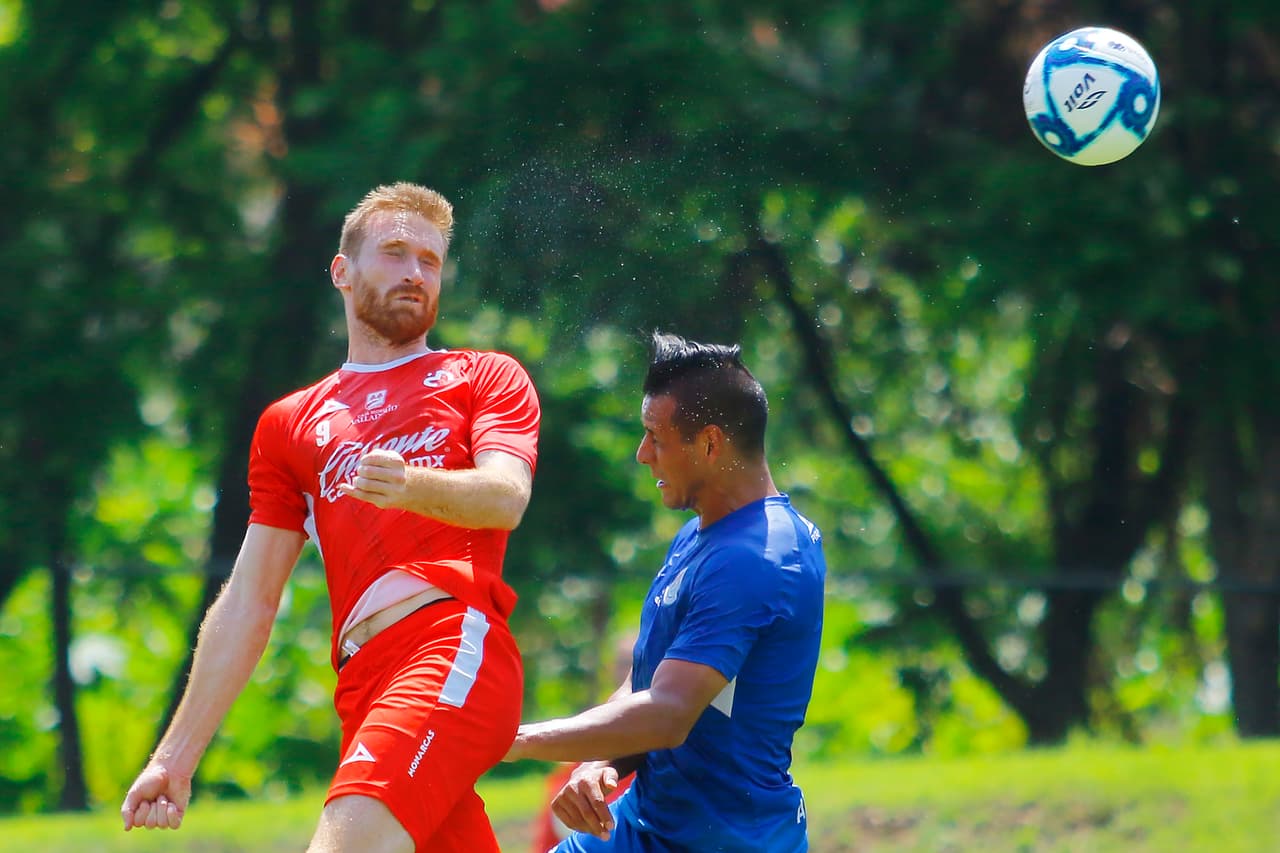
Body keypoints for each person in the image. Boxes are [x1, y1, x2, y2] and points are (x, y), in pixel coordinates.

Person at [120, 182, 541, 852]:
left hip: (450, 645)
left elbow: (505, 495)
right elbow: (249, 601)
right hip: (363, 681)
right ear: (341, 272)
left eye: (430, 261)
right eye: (396, 252)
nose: (414, 272)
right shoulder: (289, 424)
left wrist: (410, 485)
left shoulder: (483, 376)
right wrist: (173, 757)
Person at [507, 332, 826, 852]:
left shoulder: (757, 557)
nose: (641, 455)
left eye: (656, 437)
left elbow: (669, 712)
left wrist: (515, 741)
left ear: (709, 443)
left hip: (727, 842)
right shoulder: (702, 536)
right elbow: (647, 678)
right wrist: (599, 762)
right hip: (646, 827)